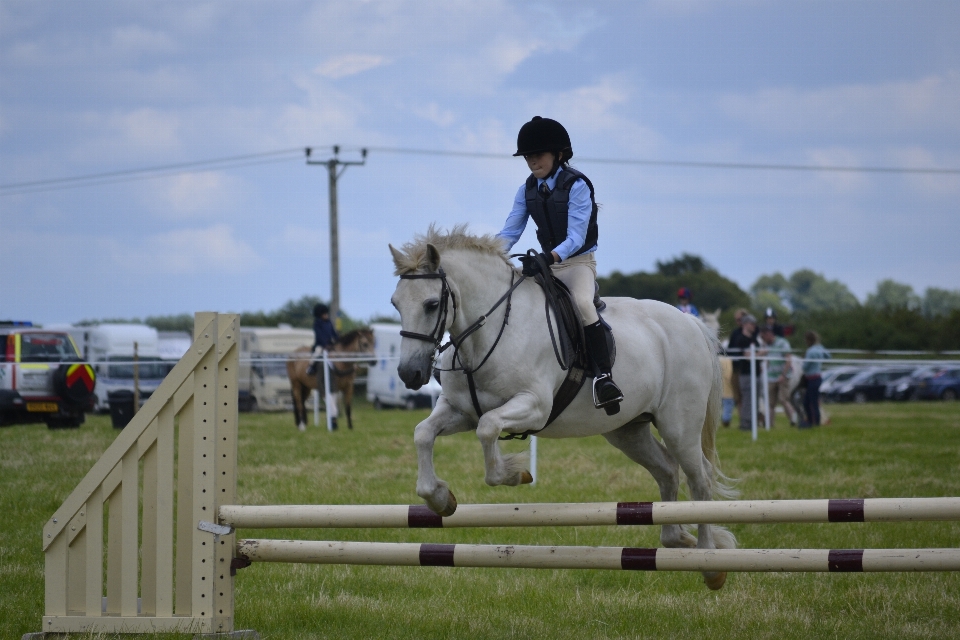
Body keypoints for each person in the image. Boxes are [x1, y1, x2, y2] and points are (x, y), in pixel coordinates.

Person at [496, 116, 622, 413]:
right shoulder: (526, 190)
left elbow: (577, 237)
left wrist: (549, 257)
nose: (532, 161)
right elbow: (510, 232)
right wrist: (490, 255)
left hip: (578, 263)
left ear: (559, 154)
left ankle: (604, 378)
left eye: (538, 154)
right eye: (528, 156)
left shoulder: (577, 186)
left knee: (582, 304)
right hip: (548, 265)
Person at [727, 313, 760, 430]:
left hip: (755, 373)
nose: (754, 326)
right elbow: (747, 356)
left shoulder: (754, 339)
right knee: (746, 400)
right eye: (752, 324)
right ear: (745, 325)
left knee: (753, 399)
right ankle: (745, 423)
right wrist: (760, 354)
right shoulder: (741, 339)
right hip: (745, 374)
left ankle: (752, 422)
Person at [759, 325, 795, 426]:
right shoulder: (766, 345)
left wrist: (783, 375)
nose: (762, 339)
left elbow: (788, 360)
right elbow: (767, 360)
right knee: (771, 403)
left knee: (783, 399)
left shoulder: (782, 343)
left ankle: (793, 419)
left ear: (768, 334)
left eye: (763, 337)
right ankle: (770, 424)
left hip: (783, 376)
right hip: (770, 377)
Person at [800, 330, 831, 427]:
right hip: (818, 377)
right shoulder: (820, 348)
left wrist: (803, 362)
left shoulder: (810, 351)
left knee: (810, 403)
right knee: (810, 401)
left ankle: (814, 422)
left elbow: (805, 367)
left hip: (811, 378)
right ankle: (812, 421)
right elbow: (828, 356)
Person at [306, 303, 338, 376]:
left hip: (330, 344)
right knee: (317, 352)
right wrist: (325, 345)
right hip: (321, 345)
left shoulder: (329, 322)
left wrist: (338, 339)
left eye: (327, 313)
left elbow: (333, 333)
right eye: (325, 314)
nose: (327, 315)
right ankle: (311, 367)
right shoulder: (317, 324)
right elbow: (319, 336)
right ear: (320, 315)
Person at [719, 355, 735, 427]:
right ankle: (726, 420)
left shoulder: (717, 359)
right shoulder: (728, 360)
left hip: (718, 389)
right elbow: (729, 375)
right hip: (728, 389)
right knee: (728, 405)